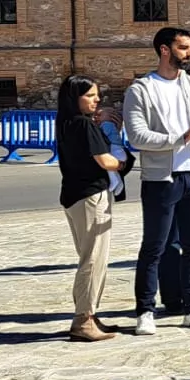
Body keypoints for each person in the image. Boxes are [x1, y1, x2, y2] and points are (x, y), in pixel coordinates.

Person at [121, 25, 190, 334]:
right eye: (183, 48)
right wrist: (181, 137)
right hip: (160, 179)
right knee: (155, 246)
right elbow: (137, 136)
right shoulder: (140, 89)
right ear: (164, 50)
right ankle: (145, 311)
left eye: (189, 47)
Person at [55, 75, 131, 342]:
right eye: (89, 95)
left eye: (97, 95)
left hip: (73, 195)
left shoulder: (65, 122)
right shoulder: (84, 125)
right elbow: (105, 160)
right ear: (74, 98)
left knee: (90, 256)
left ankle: (89, 314)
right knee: (93, 259)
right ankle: (83, 319)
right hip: (91, 196)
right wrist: (123, 163)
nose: (96, 99)